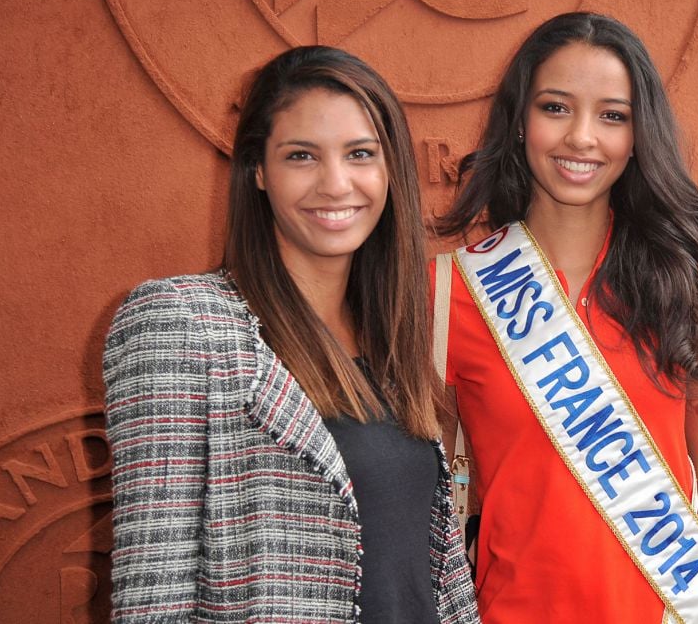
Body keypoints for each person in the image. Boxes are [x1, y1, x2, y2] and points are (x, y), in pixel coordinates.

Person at [104, 45, 479, 624]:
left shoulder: (393, 336)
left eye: (360, 153)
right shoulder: (181, 324)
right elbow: (153, 594)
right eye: (302, 155)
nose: (336, 183)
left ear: (389, 171)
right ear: (258, 169)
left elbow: (426, 572)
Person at [433, 12, 698, 623]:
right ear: (518, 121)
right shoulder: (449, 293)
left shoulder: (681, 282)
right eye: (556, 108)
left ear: (638, 135)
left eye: (612, 115)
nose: (582, 138)